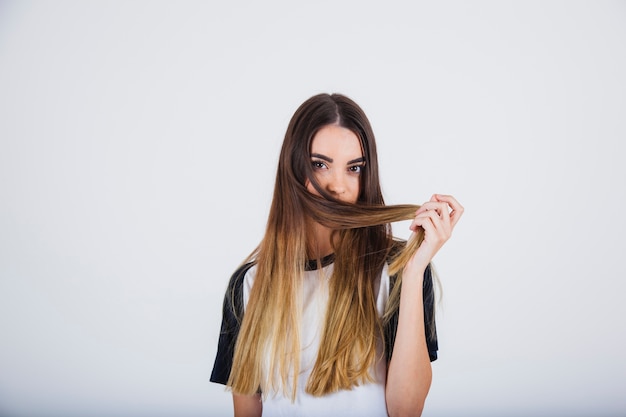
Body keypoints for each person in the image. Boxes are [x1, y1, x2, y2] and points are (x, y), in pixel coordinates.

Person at [210, 93, 463, 417]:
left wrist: (414, 273)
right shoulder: (247, 284)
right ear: (293, 169)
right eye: (320, 165)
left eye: (354, 168)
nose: (338, 186)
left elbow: (406, 410)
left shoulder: (399, 270)